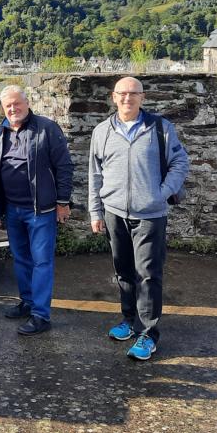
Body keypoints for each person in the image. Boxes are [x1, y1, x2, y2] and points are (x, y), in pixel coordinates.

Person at [88, 76, 189, 361]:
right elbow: (95, 175)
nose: (127, 98)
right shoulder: (102, 131)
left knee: (148, 274)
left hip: (150, 214)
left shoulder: (160, 128)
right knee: (123, 272)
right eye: (122, 93)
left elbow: (180, 162)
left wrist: (162, 193)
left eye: (134, 93)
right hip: (114, 212)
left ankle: (148, 333)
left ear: (143, 97)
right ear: (113, 97)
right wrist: (95, 211)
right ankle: (129, 321)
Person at [0, 85, 74, 336]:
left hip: (41, 209)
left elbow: (64, 166)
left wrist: (63, 201)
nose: (13, 109)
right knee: (21, 260)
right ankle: (27, 302)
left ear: (27, 103)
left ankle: (41, 315)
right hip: (12, 209)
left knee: (42, 261)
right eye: (8, 106)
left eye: (17, 103)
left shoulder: (47, 129)